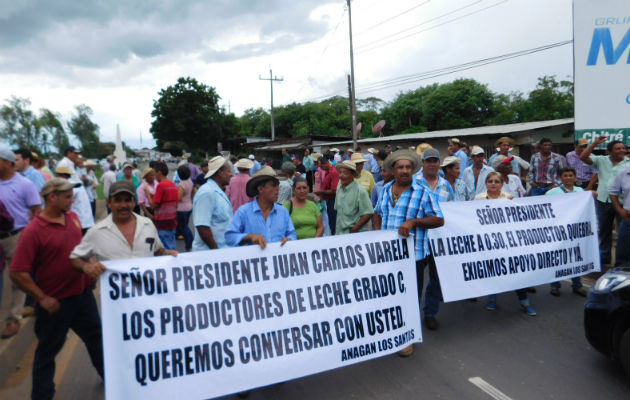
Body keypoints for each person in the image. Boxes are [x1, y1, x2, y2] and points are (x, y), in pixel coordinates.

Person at [10, 178, 104, 399]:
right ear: (52, 197)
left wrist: (89, 266)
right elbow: (17, 272)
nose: (73, 201)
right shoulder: (33, 231)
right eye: (68, 197)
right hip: (55, 303)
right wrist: (42, 298)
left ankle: (111, 376)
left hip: (82, 297)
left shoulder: (72, 217)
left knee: (97, 338)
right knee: (47, 352)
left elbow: (82, 248)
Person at [373, 149, 444, 355]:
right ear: (392, 170)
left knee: (410, 296)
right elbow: (377, 213)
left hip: (414, 255)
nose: (404, 171)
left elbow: (439, 219)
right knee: (389, 293)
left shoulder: (422, 192)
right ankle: (392, 330)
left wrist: (415, 221)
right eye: (400, 167)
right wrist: (377, 234)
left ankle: (407, 337)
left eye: (408, 168)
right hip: (388, 254)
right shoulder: (386, 190)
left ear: (413, 170)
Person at [70, 180, 177, 267]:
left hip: (146, 291)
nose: (123, 205)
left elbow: (157, 250)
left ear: (134, 202)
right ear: (109, 203)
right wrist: (87, 267)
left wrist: (167, 254)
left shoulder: (147, 224)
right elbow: (75, 257)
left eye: (127, 200)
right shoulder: (96, 232)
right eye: (117, 200)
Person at [474, 172, 536, 316]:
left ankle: (525, 302)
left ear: (502, 184)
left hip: (509, 242)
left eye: (497, 181)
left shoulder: (509, 198)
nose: (493, 183)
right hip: (488, 241)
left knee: (516, 270)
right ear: (486, 183)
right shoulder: (478, 199)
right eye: (490, 181)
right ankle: (492, 298)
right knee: (493, 270)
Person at [0, 143, 41, 338]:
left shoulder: (25, 184)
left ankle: (13, 318)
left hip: (17, 236)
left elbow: (35, 210)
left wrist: (29, 235)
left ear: (7, 162)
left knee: (17, 277)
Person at [579, 136, 630, 265]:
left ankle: (622, 260)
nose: (622, 150)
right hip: (603, 201)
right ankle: (604, 257)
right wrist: (595, 143)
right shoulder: (601, 160)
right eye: (618, 148)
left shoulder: (628, 163)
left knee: (623, 233)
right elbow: (583, 157)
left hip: (622, 203)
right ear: (609, 152)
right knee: (604, 230)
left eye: (623, 148)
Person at [225, 166, 297, 248]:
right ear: (260, 189)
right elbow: (229, 237)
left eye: (278, 185)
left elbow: (292, 234)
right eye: (273, 185)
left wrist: (289, 239)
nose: (278, 189)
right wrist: (249, 237)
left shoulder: (283, 212)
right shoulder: (243, 212)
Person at [545, 167, 588, 296]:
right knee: (558, 258)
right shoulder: (552, 192)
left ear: (575, 177)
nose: (568, 178)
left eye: (571, 175)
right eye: (565, 175)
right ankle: (555, 285)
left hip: (575, 230)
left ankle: (577, 285)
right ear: (561, 178)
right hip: (559, 230)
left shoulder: (580, 191)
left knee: (576, 258)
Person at [192, 156, 233, 251]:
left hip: (222, 250)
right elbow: (202, 226)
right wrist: (215, 251)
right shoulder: (207, 193)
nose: (231, 175)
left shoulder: (218, 191)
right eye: (228, 171)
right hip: (210, 254)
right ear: (220, 172)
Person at [334, 160, 374, 235]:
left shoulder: (360, 190)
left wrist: (355, 228)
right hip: (340, 232)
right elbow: (339, 211)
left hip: (355, 234)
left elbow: (368, 213)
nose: (341, 175)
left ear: (353, 175)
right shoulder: (339, 189)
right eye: (340, 172)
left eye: (345, 173)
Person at [146, 161, 178, 250]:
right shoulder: (173, 185)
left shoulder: (161, 186)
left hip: (163, 223)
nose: (154, 176)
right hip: (172, 221)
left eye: (155, 173)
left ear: (159, 173)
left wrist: (148, 194)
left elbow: (153, 206)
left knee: (167, 249)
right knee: (172, 245)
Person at [55, 166, 95, 235]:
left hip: (80, 221)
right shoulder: (75, 183)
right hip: (86, 220)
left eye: (57, 176)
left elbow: (64, 202)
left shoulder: (69, 185)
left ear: (62, 175)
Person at [314, 155, 339, 235]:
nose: (321, 168)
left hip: (332, 200)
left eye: (321, 166)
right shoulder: (328, 171)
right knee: (328, 221)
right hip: (327, 200)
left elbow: (334, 190)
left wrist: (322, 192)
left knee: (332, 223)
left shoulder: (334, 172)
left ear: (326, 163)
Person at [610, 167, 630, 267]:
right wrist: (620, 210)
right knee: (622, 254)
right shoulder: (623, 174)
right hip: (628, 218)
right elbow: (613, 193)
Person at [176, 165, 194, 251]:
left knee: (184, 228)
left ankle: (189, 245)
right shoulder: (190, 181)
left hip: (181, 208)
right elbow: (192, 193)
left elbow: (179, 198)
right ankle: (191, 242)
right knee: (186, 226)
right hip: (189, 206)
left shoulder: (181, 184)